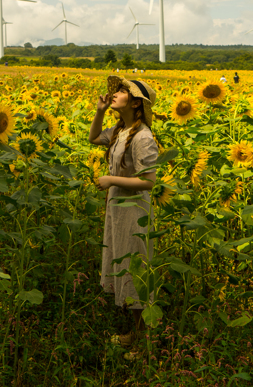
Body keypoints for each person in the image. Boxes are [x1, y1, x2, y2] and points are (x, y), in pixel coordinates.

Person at [88, 76, 159, 357]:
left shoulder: (143, 137)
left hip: (134, 212)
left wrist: (112, 180)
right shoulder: (119, 130)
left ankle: (143, 344)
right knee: (126, 268)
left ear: (135, 102)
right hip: (118, 209)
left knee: (136, 271)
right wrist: (100, 111)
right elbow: (94, 138)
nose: (115, 93)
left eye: (121, 91)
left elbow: (149, 181)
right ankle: (133, 333)